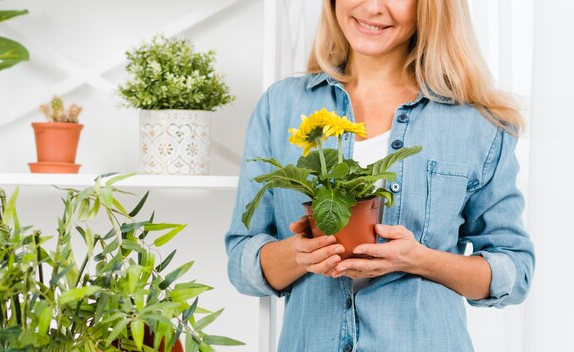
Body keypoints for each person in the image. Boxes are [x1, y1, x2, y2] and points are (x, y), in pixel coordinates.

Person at [225, 0, 535, 351]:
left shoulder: (478, 123)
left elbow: (515, 271)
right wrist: (299, 254)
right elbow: (241, 262)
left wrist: (418, 259)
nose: (372, 7)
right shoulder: (281, 106)